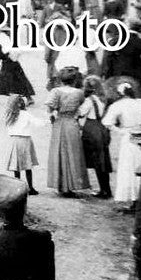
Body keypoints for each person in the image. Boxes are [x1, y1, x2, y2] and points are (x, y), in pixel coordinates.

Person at [102, 82, 141, 209]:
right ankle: (140, 198)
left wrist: (120, 131)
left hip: (128, 137)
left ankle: (136, 199)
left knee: (129, 167)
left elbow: (107, 122)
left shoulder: (118, 105)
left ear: (120, 94)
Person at [45, 68, 88, 196]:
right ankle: (71, 186)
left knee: (59, 152)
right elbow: (81, 107)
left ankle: (61, 185)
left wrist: (52, 116)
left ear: (60, 79)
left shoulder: (56, 91)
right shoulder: (79, 93)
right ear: (74, 80)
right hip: (72, 124)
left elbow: (49, 108)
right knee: (73, 153)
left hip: (60, 123)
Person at [77, 76, 113, 199]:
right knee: (102, 161)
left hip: (92, 129)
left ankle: (103, 191)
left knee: (97, 160)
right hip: (102, 127)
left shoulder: (89, 100)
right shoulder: (103, 99)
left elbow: (80, 113)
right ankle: (106, 189)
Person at [3, 95, 43, 195]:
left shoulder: (9, 115)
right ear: (21, 103)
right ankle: (30, 188)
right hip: (25, 141)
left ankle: (18, 188)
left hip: (14, 141)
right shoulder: (25, 114)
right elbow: (38, 123)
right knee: (28, 166)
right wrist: (47, 121)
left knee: (16, 166)